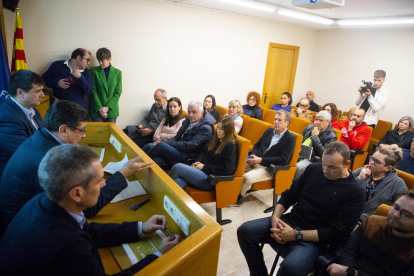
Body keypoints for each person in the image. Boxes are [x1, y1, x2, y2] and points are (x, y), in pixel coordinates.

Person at [0, 145, 182, 275]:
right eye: (99, 181)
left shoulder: (43, 200)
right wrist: (159, 256)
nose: (104, 184)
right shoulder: (68, 246)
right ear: (77, 194)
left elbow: (86, 230)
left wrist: (141, 227)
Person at [0, 100, 152, 237]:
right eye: (81, 130)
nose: (84, 136)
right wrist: (123, 173)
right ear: (63, 130)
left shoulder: (41, 137)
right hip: (27, 234)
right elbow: (87, 209)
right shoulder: (51, 160)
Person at [238, 141, 365, 276]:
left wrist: (295, 235)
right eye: (324, 164)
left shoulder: (355, 192)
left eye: (332, 167)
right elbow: (289, 195)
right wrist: (275, 217)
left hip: (314, 239)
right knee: (245, 231)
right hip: (290, 222)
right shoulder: (314, 169)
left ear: (347, 164)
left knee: (291, 268)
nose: (325, 170)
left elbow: (338, 232)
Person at [327, 190, 414, 276]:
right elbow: (348, 251)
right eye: (396, 207)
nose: (396, 214)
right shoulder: (371, 222)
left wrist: (353, 273)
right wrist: (350, 270)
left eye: (406, 214)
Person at [238, 111, 296, 203]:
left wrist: (261, 160)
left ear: (287, 123)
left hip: (268, 168)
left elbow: (282, 160)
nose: (276, 122)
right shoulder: (269, 131)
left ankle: (237, 198)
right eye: (275, 119)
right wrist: (254, 155)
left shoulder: (290, 138)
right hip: (255, 160)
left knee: (246, 178)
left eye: (279, 120)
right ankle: (228, 190)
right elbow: (257, 145)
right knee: (235, 165)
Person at [168, 116, 237, 190]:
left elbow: (227, 169)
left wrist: (204, 167)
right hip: (201, 172)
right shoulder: (214, 139)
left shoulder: (231, 145)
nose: (218, 131)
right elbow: (203, 153)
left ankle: (162, 186)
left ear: (228, 130)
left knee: (178, 167)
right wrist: (198, 162)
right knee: (177, 182)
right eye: (218, 127)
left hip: (212, 179)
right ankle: (163, 198)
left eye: (222, 129)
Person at [0, 70, 45, 180]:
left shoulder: (33, 110)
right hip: (18, 177)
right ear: (20, 92)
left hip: (36, 168)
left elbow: (44, 138)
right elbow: (25, 154)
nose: (43, 95)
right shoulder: (7, 117)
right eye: (37, 91)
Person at [147, 101, 215, 170]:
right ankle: (138, 167)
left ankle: (139, 164)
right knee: (150, 146)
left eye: (194, 112)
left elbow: (190, 146)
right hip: (177, 151)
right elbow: (176, 137)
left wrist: (167, 144)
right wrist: (169, 144)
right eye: (189, 112)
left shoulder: (205, 128)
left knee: (160, 146)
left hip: (186, 157)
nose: (190, 115)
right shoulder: (187, 121)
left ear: (202, 113)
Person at [353, 148, 407, 222]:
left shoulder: (398, 183)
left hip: (372, 220)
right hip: (350, 211)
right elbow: (344, 190)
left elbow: (399, 209)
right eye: (372, 158)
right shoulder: (360, 171)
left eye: (377, 161)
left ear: (388, 168)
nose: (371, 162)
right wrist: (359, 179)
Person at [293, 110, 337, 181]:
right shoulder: (310, 127)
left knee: (298, 166)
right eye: (317, 119)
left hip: (311, 159)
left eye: (321, 120)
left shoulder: (331, 136)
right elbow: (299, 139)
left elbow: (323, 153)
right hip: (298, 152)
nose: (318, 122)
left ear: (328, 122)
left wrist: (315, 137)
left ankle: (295, 186)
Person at [89, 47, 122, 123]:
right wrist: (100, 108)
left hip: (112, 110)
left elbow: (118, 92)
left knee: (110, 134)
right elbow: (93, 91)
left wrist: (107, 107)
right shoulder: (94, 71)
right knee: (98, 134)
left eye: (102, 61)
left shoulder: (117, 73)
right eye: (98, 60)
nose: (100, 63)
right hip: (96, 110)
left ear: (109, 59)